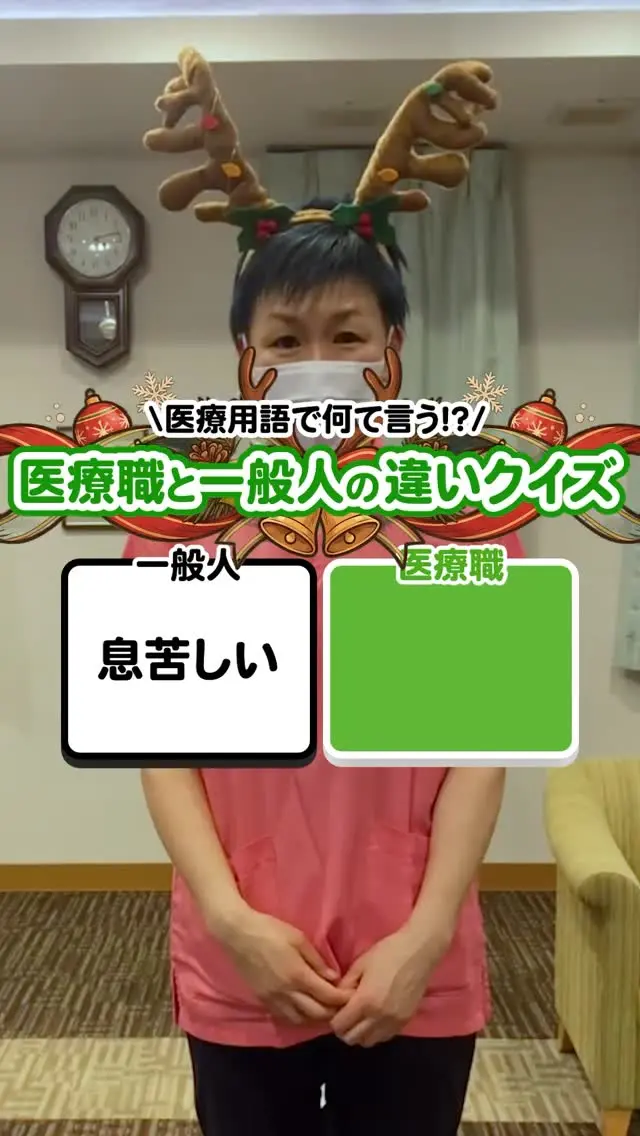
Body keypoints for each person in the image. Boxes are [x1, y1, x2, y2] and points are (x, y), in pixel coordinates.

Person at [127, 47, 523, 1136]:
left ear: (390, 352)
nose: (317, 359)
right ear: (245, 359)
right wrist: (229, 918)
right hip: (242, 950)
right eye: (285, 339)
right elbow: (162, 746)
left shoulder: (458, 507)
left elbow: (481, 743)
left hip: (414, 956)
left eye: (345, 335)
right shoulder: (184, 513)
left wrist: (426, 932)